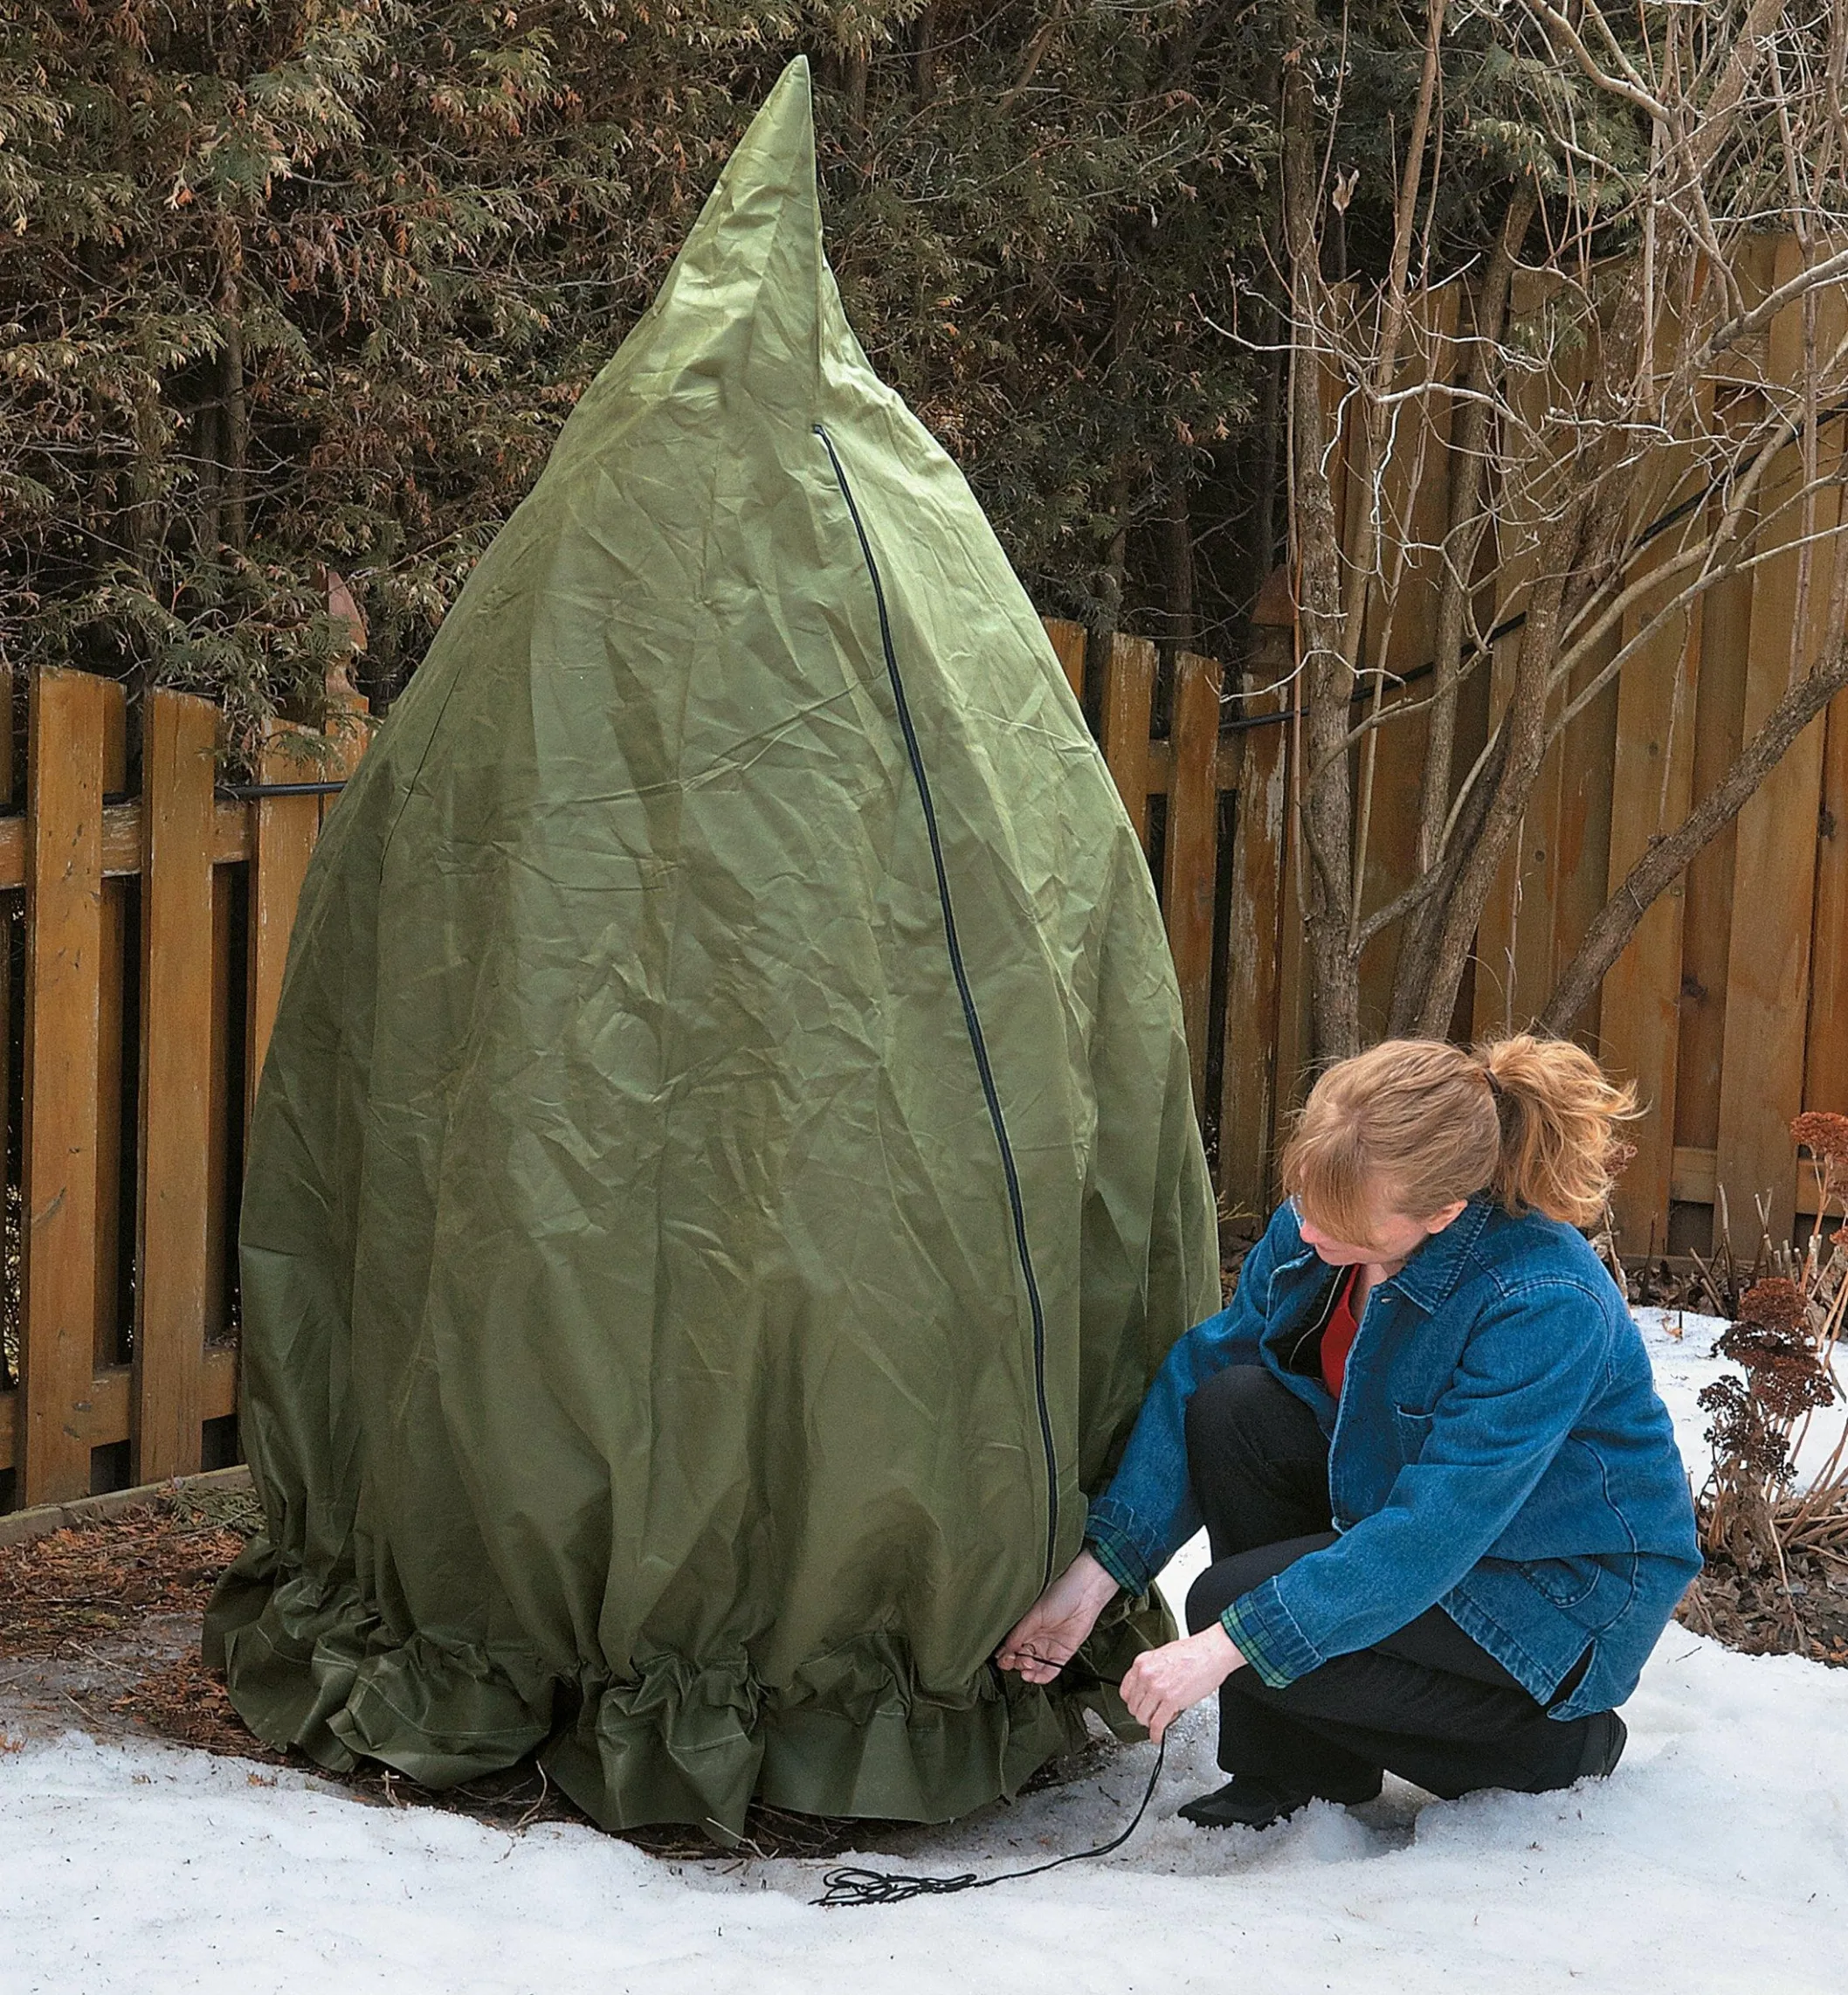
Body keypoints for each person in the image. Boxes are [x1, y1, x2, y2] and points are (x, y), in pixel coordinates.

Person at [997, 1034, 1701, 1831]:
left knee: (1232, 1607)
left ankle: (1547, 1749)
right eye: (1306, 1202)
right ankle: (1297, 1773)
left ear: (1443, 1213)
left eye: (1343, 1224)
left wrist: (1230, 1646)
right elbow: (1206, 1368)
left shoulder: (1541, 1299)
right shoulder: (1322, 1224)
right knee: (1235, 1407)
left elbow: (1436, 1530)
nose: (1306, 1236)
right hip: (1412, 1521)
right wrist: (1091, 1581)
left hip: (1555, 1592)